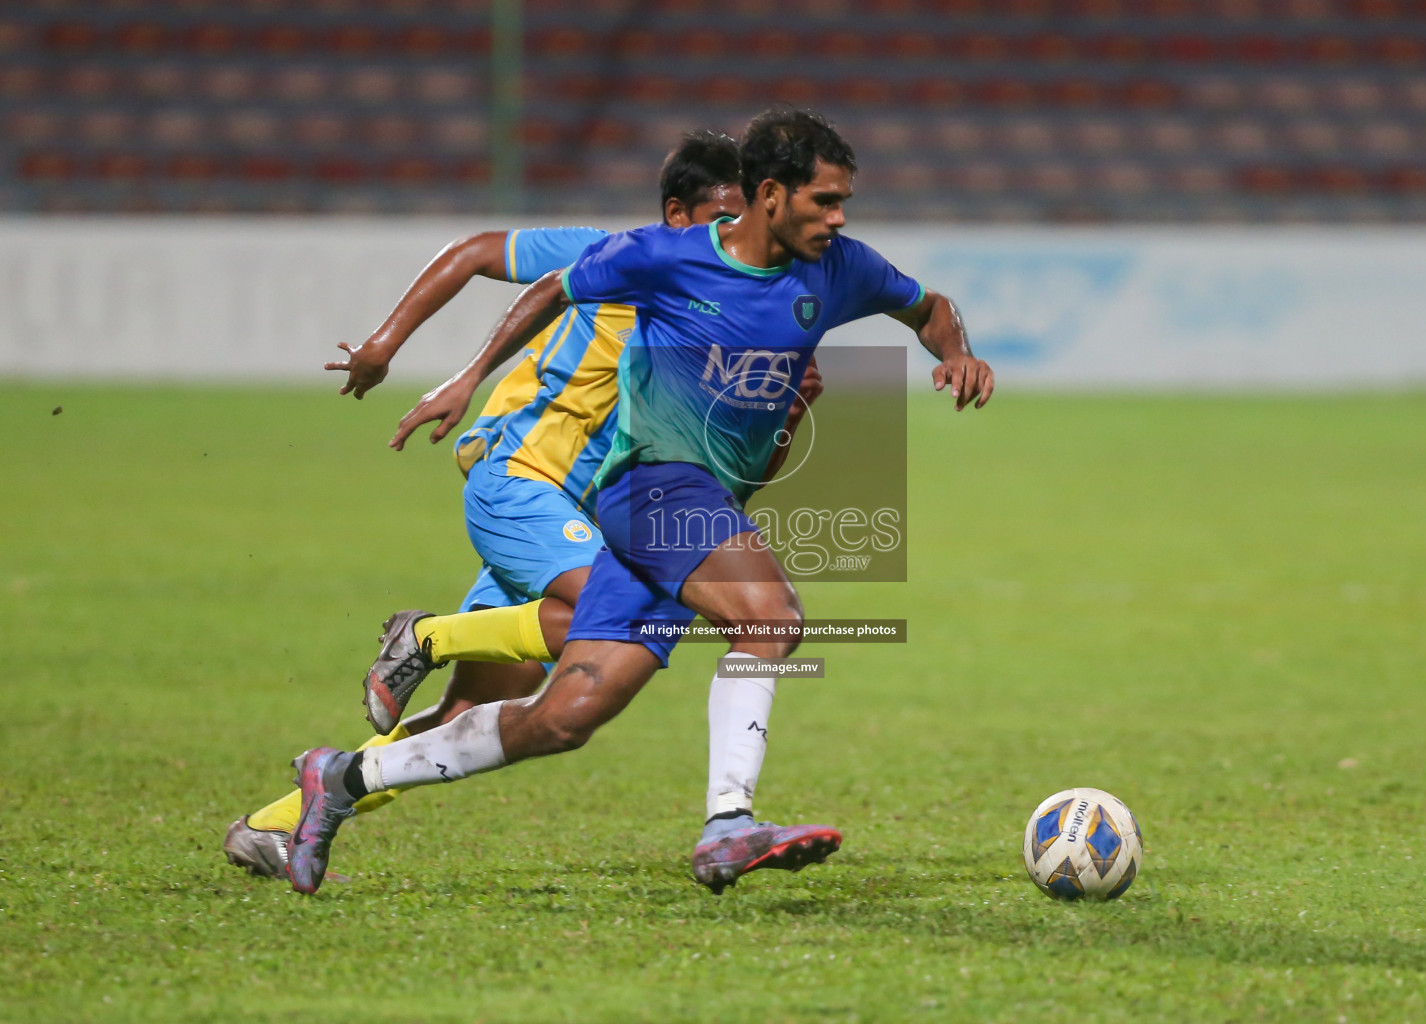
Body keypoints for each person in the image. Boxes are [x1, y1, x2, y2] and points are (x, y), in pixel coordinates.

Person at [283, 107, 993, 896]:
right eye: (824, 200)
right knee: (770, 619)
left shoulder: (840, 268)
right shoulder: (664, 256)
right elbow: (554, 286)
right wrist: (469, 375)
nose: (839, 217)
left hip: (700, 507)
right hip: (649, 485)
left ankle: (341, 776)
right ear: (769, 194)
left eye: (843, 202)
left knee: (563, 717)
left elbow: (928, 307)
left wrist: (956, 352)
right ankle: (728, 823)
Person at [224, 131, 819, 884]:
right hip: (523, 478)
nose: (735, 237)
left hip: (594, 513)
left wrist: (787, 414)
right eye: (720, 216)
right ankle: (427, 635)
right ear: (677, 214)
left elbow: (724, 483)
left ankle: (275, 825)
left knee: (460, 718)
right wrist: (393, 346)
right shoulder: (617, 254)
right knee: (588, 623)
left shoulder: (734, 317)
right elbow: (477, 251)